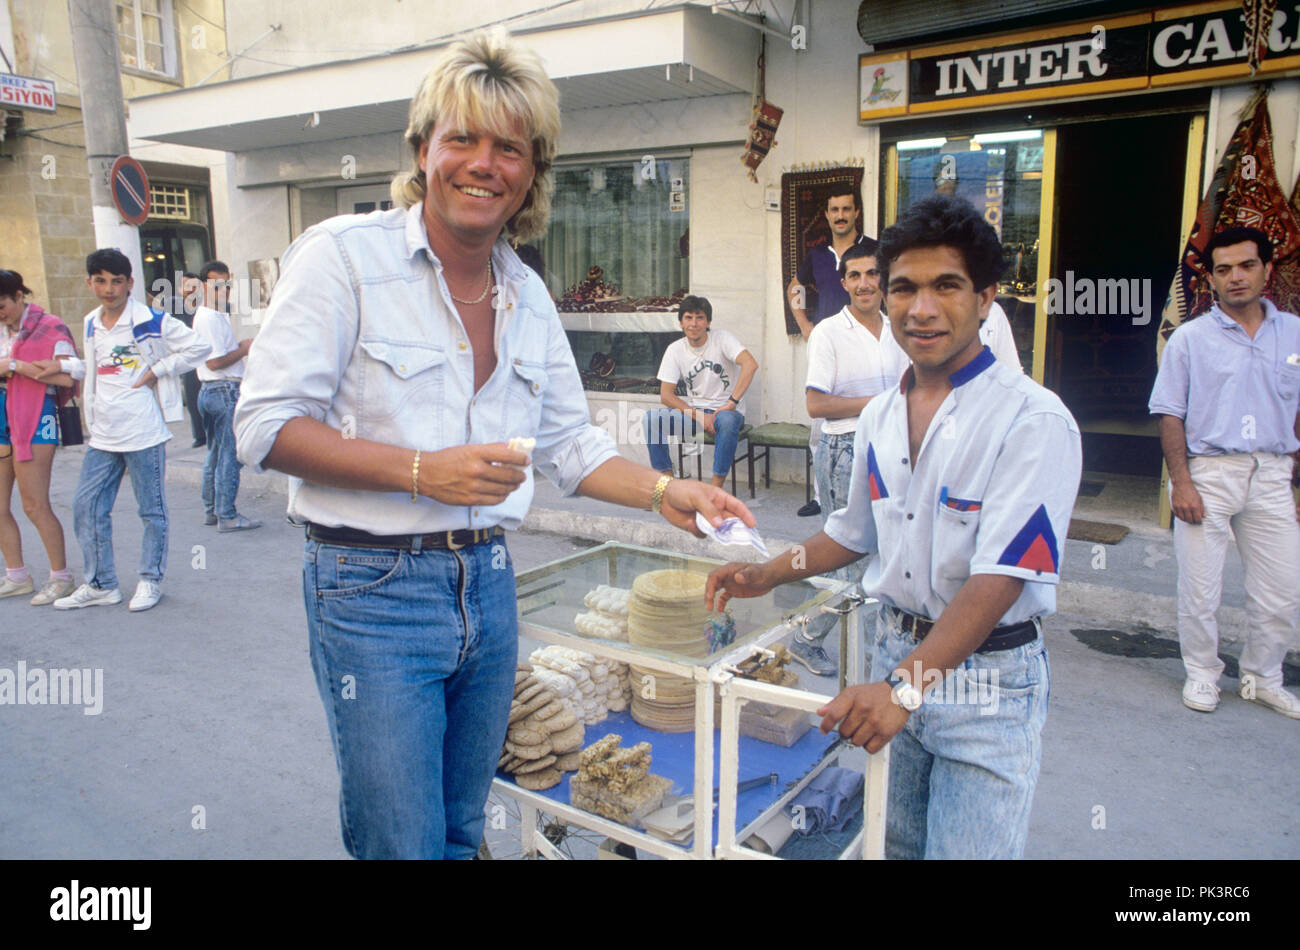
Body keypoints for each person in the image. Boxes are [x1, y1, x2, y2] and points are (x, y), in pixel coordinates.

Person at [232, 30, 755, 860]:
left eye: (509, 147)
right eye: (463, 138)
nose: (484, 163)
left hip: (490, 585)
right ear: (422, 150)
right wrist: (420, 473)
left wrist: (667, 494)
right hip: (371, 592)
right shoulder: (342, 260)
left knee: (463, 831)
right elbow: (264, 427)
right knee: (401, 842)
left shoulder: (526, 293)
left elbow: (571, 447)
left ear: (532, 172)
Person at [708, 195, 1082, 859]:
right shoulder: (882, 415)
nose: (921, 308)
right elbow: (853, 533)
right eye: (903, 287)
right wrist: (764, 572)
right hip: (893, 653)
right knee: (896, 847)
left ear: (987, 298)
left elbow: (998, 579)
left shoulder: (1034, 421)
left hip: (985, 680)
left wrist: (906, 688)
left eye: (947, 286)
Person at [1149, 225, 1300, 719]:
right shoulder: (1191, 339)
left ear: (1267, 269)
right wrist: (1182, 482)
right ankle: (1201, 673)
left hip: (1274, 473)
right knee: (1200, 587)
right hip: (1209, 472)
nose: (1236, 278)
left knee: (1282, 589)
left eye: (1246, 266)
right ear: (1211, 279)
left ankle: (1262, 677)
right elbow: (1170, 411)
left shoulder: (1295, 334)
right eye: (1223, 269)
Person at [53, 249, 211, 613]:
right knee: (86, 506)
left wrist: (160, 368)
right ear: (90, 282)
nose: (109, 289)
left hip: (143, 431)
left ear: (130, 283)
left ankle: (150, 579)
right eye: (101, 281)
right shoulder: (91, 321)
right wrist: (67, 368)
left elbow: (200, 347)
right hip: (104, 434)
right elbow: (95, 367)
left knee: (151, 511)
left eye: (117, 281)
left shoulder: (150, 320)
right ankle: (100, 583)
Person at [791, 242, 908, 675]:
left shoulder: (899, 328)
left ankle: (834, 644)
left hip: (893, 450)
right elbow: (816, 405)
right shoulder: (828, 333)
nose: (864, 284)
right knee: (850, 556)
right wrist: (880, 401)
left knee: (880, 557)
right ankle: (864, 661)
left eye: (872, 274)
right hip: (845, 452)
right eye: (854, 276)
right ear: (843, 283)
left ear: (884, 278)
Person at [0, 269, 83, 605]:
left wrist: (16, 365)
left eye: (2, 303)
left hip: (35, 416)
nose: (0, 310)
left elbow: (67, 378)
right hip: (3, 413)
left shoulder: (49, 327)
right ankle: (16, 575)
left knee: (34, 504)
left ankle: (60, 577)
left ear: (19, 296)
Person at [788, 187, 872, 517]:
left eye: (846, 209)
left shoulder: (872, 251)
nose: (840, 215)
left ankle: (866, 493)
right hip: (826, 346)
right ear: (826, 215)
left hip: (864, 342)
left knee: (866, 420)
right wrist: (806, 326)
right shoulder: (817, 255)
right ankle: (822, 495)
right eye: (834, 210)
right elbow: (794, 287)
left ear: (856, 213)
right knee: (820, 424)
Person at [641, 296, 758, 489]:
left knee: (728, 422)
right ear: (681, 322)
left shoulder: (722, 339)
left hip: (725, 412)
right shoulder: (675, 349)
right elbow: (666, 396)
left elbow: (750, 364)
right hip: (694, 414)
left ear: (708, 322)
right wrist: (698, 416)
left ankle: (714, 490)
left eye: (699, 318)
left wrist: (732, 402)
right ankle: (668, 487)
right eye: (688, 317)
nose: (693, 324)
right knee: (651, 419)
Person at [192, 260, 260, 532]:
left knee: (216, 453)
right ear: (204, 286)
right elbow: (215, 362)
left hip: (212, 390)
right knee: (230, 455)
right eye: (217, 285)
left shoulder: (214, 316)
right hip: (222, 389)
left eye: (226, 285)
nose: (224, 290)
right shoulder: (209, 317)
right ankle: (227, 514)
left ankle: (212, 510)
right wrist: (244, 349)